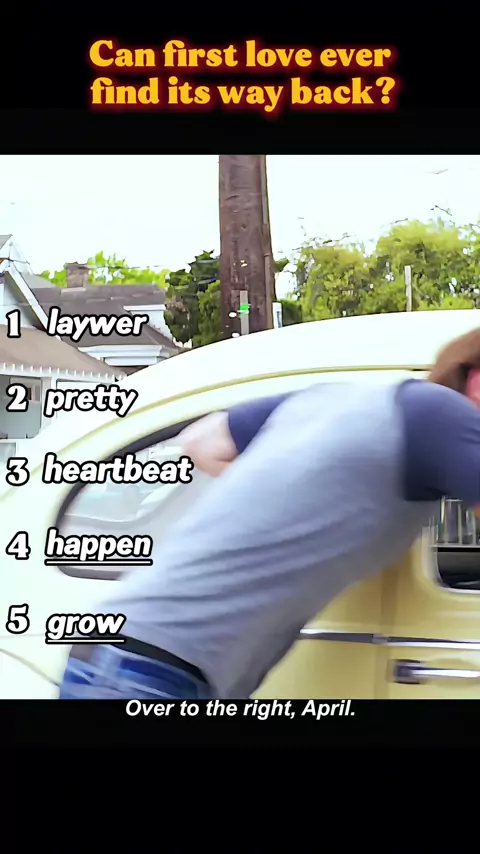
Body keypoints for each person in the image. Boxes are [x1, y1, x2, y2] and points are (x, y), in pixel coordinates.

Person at [59, 328, 480, 700]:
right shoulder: (444, 417)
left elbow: (201, 441)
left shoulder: (338, 398)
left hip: (129, 653)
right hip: (148, 670)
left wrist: (296, 496)